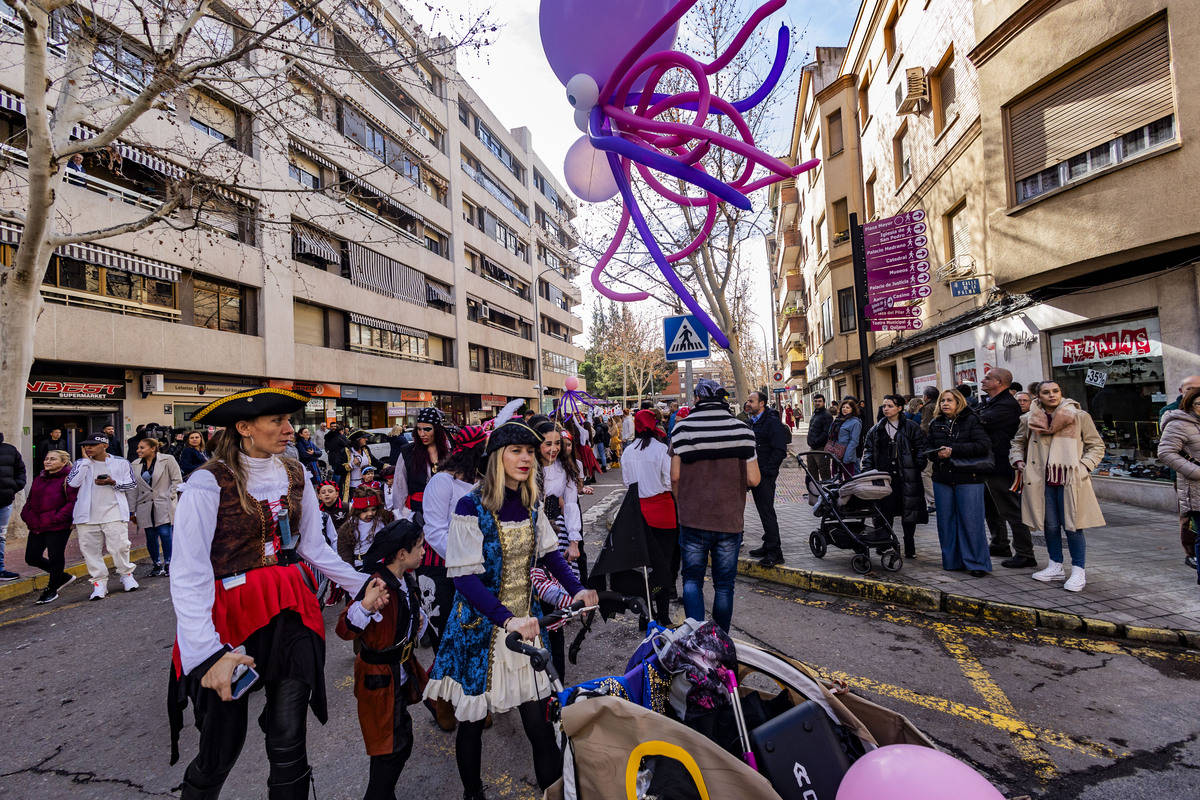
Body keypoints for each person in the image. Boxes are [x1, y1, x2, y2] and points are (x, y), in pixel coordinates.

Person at [167, 387, 368, 799]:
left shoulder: (296, 473)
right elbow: (189, 573)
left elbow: (313, 546)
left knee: (289, 738)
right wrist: (207, 652)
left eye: (289, 421)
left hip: (291, 606)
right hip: (230, 617)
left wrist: (361, 583)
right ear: (244, 427)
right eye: (277, 422)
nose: (289, 430)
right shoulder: (207, 482)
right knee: (220, 750)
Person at [423, 419, 595, 800]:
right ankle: (473, 794)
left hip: (526, 630)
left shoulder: (532, 504)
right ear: (497, 457)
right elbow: (464, 579)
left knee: (538, 723)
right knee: (471, 725)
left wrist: (579, 591)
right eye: (517, 451)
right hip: (480, 631)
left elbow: (551, 554)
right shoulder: (471, 505)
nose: (526, 459)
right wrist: (507, 619)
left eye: (531, 452)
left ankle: (555, 794)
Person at [335, 519, 428, 800]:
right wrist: (364, 606)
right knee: (390, 747)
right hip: (378, 679)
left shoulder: (404, 579)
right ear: (402, 553)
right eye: (420, 546)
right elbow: (344, 630)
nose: (424, 551)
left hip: (397, 672)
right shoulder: (376, 584)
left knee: (393, 743)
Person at [669, 379, 760, 632]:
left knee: (691, 580)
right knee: (724, 585)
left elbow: (674, 477)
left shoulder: (682, 429)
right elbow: (753, 479)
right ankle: (720, 641)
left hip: (693, 518)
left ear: (697, 399)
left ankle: (698, 639)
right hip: (730, 520)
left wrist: (682, 502)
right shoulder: (743, 430)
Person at [419, 425, 488, 732]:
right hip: (441, 569)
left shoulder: (484, 481)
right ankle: (441, 699)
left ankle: (474, 697)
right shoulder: (441, 482)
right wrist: (465, 561)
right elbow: (434, 530)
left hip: (476, 568)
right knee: (448, 636)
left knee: (476, 634)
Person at [1011, 381, 1106, 592]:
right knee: (1050, 525)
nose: (1052, 395)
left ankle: (1078, 570)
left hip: (1070, 479)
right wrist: (1018, 461)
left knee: (1073, 526)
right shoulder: (1029, 419)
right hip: (1041, 479)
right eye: (1046, 392)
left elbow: (1096, 445)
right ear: (1039, 396)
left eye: (1055, 391)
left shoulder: (1078, 415)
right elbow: (1017, 443)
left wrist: (1084, 467)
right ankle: (1055, 565)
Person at [621, 409, 678, 625]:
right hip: (663, 514)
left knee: (643, 567)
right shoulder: (662, 449)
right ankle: (663, 615)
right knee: (664, 566)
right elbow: (668, 482)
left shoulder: (628, 452)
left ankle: (645, 616)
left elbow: (627, 484)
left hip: (638, 515)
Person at [977, 368, 1038, 569]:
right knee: (991, 508)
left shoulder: (1006, 405)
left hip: (1002, 465)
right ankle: (999, 544)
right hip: (989, 464)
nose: (983, 381)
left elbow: (981, 423)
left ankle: (1025, 553)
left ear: (1000, 382)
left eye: (988, 378)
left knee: (1010, 510)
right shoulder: (991, 402)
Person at [928, 390, 993, 577]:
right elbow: (927, 448)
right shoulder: (936, 423)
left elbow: (983, 445)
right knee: (946, 521)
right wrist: (935, 453)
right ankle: (952, 561)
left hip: (968, 476)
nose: (945, 404)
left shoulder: (971, 419)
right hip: (942, 477)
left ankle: (976, 563)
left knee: (971, 521)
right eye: (942, 401)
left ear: (959, 402)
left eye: (950, 400)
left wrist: (953, 450)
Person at [67, 432, 138, 598]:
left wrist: (113, 482)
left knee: (120, 546)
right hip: (86, 515)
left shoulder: (121, 462)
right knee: (90, 551)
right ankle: (99, 582)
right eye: (86, 445)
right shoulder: (80, 463)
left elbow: (131, 483)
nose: (88, 448)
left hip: (113, 511)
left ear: (105, 446)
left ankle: (126, 575)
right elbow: (73, 483)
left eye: (92, 445)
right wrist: (85, 462)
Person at [861, 395, 929, 559]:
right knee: (884, 511)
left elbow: (920, 447)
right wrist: (868, 471)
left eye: (890, 406)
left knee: (909, 512)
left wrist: (918, 463)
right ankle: (884, 544)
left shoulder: (911, 427)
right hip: (883, 477)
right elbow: (868, 451)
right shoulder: (876, 429)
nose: (886, 409)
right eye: (884, 406)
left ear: (899, 408)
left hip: (906, 476)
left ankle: (910, 547)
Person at [22, 449, 79, 602]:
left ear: (63, 463)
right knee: (31, 557)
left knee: (55, 557)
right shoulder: (39, 478)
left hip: (58, 525)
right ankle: (63, 577)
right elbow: (30, 500)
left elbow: (73, 502)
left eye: (53, 459)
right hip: (37, 524)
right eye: (46, 458)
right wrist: (26, 515)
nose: (48, 461)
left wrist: (56, 517)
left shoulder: (70, 479)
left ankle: (51, 589)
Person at [1158, 386, 1200, 580]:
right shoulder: (1179, 423)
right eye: (1199, 404)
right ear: (1189, 404)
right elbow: (1166, 453)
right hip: (1196, 487)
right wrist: (1197, 472)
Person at [745, 390, 789, 568]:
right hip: (755, 474)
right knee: (763, 511)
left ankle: (775, 552)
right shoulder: (752, 423)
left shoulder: (771, 422)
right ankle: (768, 544)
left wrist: (766, 471)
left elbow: (780, 450)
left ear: (761, 404)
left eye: (751, 401)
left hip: (764, 475)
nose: (748, 404)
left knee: (767, 512)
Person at [132, 437, 183, 577]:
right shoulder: (135, 464)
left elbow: (177, 480)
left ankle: (169, 563)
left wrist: (170, 495)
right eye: (138, 448)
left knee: (165, 533)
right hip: (144, 504)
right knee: (150, 535)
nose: (138, 450)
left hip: (163, 502)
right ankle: (156, 564)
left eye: (142, 447)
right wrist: (132, 509)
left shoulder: (168, 460)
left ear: (153, 448)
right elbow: (133, 488)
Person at [338, 485, 395, 570]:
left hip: (383, 565)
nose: (370, 514)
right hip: (360, 566)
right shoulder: (348, 527)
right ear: (357, 510)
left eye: (373, 509)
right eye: (365, 510)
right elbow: (345, 555)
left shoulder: (383, 520)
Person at [0, 430, 27, 581]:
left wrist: (15, 486)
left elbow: (20, 470)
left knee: (0, 537)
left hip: (4, 502)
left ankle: (0, 569)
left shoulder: (10, 450)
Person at [919, 385, 940, 511]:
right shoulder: (939, 404)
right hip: (941, 443)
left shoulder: (928, 407)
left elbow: (924, 427)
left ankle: (933, 501)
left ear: (926, 397)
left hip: (931, 444)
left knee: (926, 473)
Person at [831, 397, 863, 474]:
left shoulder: (855, 422)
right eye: (843, 407)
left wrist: (847, 457)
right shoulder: (838, 419)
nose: (845, 409)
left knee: (848, 479)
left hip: (847, 455)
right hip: (836, 453)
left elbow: (854, 441)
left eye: (848, 408)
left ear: (852, 409)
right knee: (836, 478)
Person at [805, 394, 834, 482]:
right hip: (812, 448)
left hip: (821, 448)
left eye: (820, 401)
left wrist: (815, 442)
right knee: (811, 472)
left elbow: (826, 433)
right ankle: (815, 492)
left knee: (824, 472)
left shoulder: (826, 415)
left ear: (824, 403)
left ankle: (827, 492)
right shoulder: (815, 413)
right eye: (816, 401)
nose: (817, 403)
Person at [325, 421, 351, 491]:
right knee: (336, 474)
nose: (333, 427)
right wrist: (327, 451)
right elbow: (326, 446)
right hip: (333, 457)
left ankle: (338, 489)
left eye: (335, 426)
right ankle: (335, 489)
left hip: (341, 457)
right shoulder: (328, 436)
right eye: (332, 426)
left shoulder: (340, 436)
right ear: (330, 427)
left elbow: (346, 444)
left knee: (341, 476)